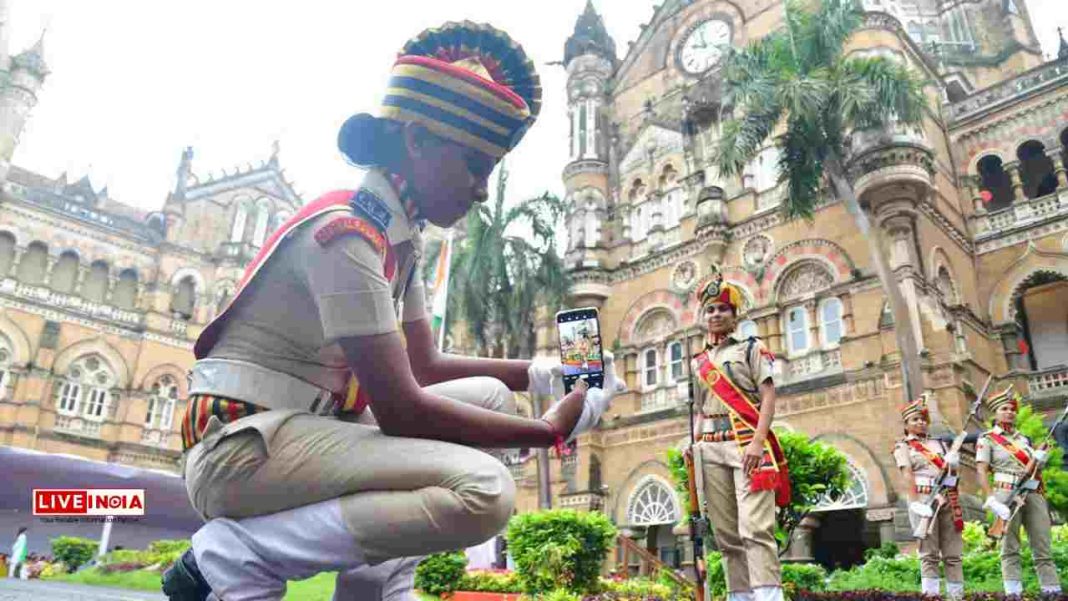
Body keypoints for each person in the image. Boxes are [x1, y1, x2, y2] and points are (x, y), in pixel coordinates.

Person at [161, 21, 621, 601]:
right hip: (240, 451)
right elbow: (402, 408)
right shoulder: (348, 235)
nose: (481, 189)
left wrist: (542, 373)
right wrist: (549, 429)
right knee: (485, 490)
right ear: (416, 141)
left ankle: (372, 584)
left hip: (306, 430)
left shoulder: (398, 240)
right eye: (473, 166)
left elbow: (423, 366)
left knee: (492, 399)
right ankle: (233, 557)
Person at [687, 273, 790, 601]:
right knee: (727, 535)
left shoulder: (751, 348)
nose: (715, 315)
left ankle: (769, 596)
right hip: (710, 447)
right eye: (710, 310)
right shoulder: (698, 362)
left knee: (755, 529)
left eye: (722, 309)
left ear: (735, 316)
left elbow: (768, 395)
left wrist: (758, 442)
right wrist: (693, 443)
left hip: (745, 442)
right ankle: (740, 596)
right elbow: (700, 409)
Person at [976, 385, 1061, 596]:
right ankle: (1013, 593)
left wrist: (1040, 457)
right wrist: (991, 499)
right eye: (1004, 408)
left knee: (1042, 544)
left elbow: (1033, 470)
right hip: (1005, 493)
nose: (1010, 412)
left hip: (1032, 493)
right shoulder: (987, 439)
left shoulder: (1024, 440)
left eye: (1012, 409)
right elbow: (981, 469)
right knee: (1009, 547)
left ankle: (1052, 592)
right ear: (995, 413)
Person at [892, 395, 963, 598]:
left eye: (923, 419)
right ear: (906, 425)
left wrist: (954, 464)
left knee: (953, 554)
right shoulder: (903, 447)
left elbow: (953, 476)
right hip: (923, 499)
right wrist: (914, 503)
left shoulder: (940, 445)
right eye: (915, 419)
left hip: (947, 497)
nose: (920, 422)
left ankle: (956, 596)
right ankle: (931, 596)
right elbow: (907, 475)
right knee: (929, 554)